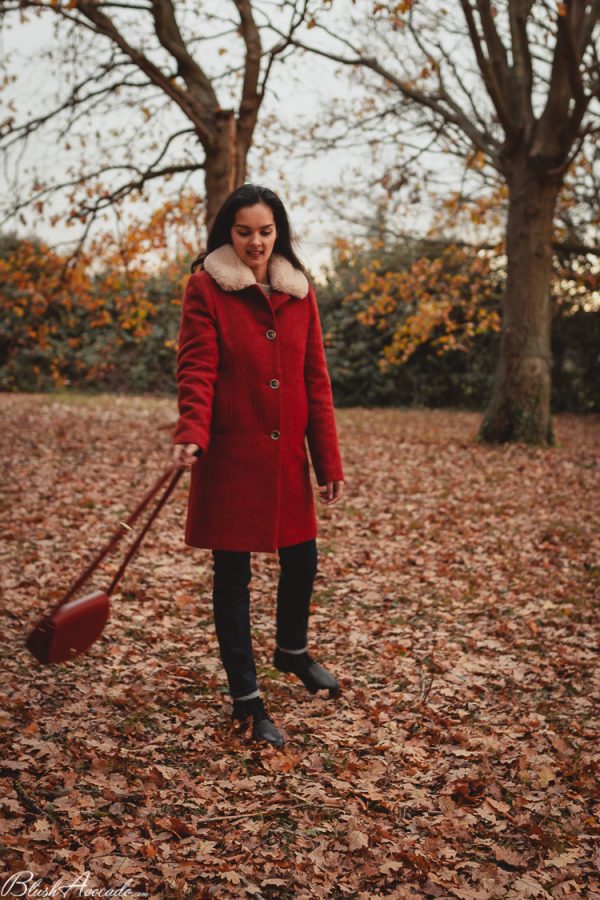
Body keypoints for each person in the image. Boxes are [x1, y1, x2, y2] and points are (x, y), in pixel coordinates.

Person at [171, 184, 344, 749]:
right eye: (244, 231)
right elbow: (197, 368)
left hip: (287, 459)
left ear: (279, 232)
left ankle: (291, 651)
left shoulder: (299, 291)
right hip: (231, 456)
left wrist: (327, 459)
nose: (255, 242)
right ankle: (247, 698)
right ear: (228, 231)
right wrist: (191, 432)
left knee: (303, 559)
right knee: (233, 578)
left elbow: (315, 380)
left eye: (265, 231)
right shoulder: (206, 287)